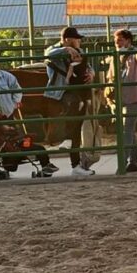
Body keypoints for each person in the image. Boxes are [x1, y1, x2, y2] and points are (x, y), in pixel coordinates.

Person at [0, 49, 59, 180]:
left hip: (5, 116)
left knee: (13, 140)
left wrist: (13, 104)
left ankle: (11, 163)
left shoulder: (7, 77)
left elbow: (17, 91)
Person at [44, 26, 96, 176]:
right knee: (73, 118)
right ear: (67, 40)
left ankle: (75, 164)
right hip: (62, 92)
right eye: (76, 38)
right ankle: (70, 150)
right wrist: (66, 50)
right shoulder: (55, 50)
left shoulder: (79, 51)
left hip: (79, 91)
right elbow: (49, 54)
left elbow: (88, 65)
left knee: (77, 125)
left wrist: (91, 73)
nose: (79, 41)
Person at [106, 29, 137, 173]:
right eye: (116, 40)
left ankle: (122, 163)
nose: (117, 42)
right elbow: (110, 77)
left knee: (127, 129)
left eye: (120, 40)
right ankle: (134, 162)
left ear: (128, 40)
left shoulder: (133, 54)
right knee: (129, 129)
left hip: (134, 96)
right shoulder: (114, 56)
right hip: (120, 97)